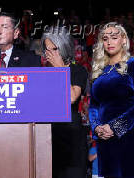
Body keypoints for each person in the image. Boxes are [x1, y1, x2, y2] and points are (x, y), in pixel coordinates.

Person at [88, 22, 134, 177]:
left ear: (123, 39)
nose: (109, 42)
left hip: (130, 137)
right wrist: (96, 127)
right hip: (105, 139)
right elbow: (93, 106)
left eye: (114, 37)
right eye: (105, 38)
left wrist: (115, 127)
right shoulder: (99, 70)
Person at [40, 27, 88, 178]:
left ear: (64, 47)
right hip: (48, 137)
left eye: (54, 49)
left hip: (71, 138)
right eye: (47, 50)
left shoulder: (77, 70)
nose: (50, 54)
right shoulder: (42, 73)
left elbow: (71, 97)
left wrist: (60, 68)